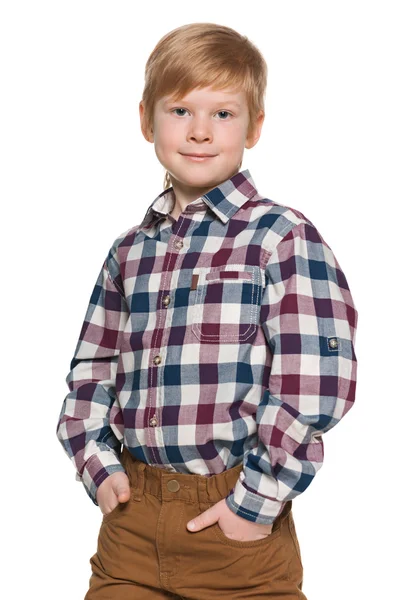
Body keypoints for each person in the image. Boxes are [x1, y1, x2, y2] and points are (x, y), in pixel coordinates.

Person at [56, 22, 358, 600]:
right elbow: (93, 369)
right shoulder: (129, 249)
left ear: (255, 126)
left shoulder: (280, 237)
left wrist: (256, 501)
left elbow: (315, 384)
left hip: (234, 527)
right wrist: (98, 465)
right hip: (132, 527)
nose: (199, 131)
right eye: (179, 111)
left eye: (222, 114)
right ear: (146, 119)